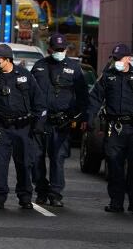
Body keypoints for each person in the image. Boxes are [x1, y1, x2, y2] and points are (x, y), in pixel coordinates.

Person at [87, 43, 133, 214]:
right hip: (115, 128)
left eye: (120, 59)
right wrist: (89, 119)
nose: (117, 62)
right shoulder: (108, 76)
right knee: (115, 165)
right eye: (115, 59)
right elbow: (95, 98)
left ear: (128, 59)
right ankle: (116, 202)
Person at [0, 44, 43, 209]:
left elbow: (38, 101)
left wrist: (37, 125)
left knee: (24, 162)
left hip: (23, 126)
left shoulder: (24, 75)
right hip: (0, 126)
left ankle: (25, 196)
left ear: (7, 59)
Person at [30, 33, 90, 207]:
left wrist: (80, 117)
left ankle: (55, 193)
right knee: (36, 157)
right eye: (56, 49)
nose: (59, 51)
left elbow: (83, 96)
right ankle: (41, 190)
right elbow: (30, 93)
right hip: (41, 120)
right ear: (49, 49)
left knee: (58, 158)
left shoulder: (74, 67)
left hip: (61, 121)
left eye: (62, 49)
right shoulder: (39, 66)